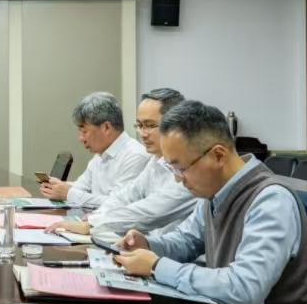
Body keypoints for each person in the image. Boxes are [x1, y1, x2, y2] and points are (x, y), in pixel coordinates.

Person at [115, 100, 307, 304]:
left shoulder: (271, 201)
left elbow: (245, 289)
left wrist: (157, 266)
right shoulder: (214, 192)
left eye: (181, 167)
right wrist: (148, 245)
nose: (178, 179)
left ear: (218, 155)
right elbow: (186, 241)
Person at [47, 88, 197, 241]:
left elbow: (151, 212)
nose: (143, 134)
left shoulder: (192, 169)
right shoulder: (156, 160)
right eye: (140, 125)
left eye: (150, 125)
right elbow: (127, 195)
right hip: (148, 244)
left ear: (176, 126)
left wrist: (94, 223)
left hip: (168, 249)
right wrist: (95, 218)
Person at [41, 92, 149, 207]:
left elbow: (118, 204)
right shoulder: (100, 156)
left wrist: (68, 194)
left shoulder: (135, 156)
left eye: (84, 131)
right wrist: (58, 187)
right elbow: (82, 187)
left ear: (106, 127)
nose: (81, 138)